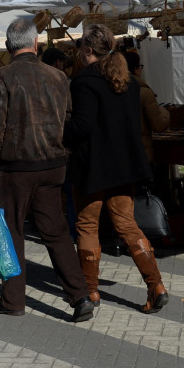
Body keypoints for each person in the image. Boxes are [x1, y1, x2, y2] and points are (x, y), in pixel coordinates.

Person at [0, 17, 93, 320]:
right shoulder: (57, 76)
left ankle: (13, 301)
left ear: (7, 45)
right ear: (36, 43)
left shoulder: (0, 77)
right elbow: (67, 121)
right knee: (56, 232)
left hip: (17, 168)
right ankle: (80, 297)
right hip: (52, 165)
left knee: (13, 231)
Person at [66, 25, 169, 317]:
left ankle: (91, 290)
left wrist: (61, 132)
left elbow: (82, 126)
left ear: (87, 51)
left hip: (93, 168)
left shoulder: (84, 81)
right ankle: (156, 285)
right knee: (127, 225)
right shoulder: (129, 81)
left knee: (87, 227)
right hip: (124, 167)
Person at [124, 51, 169, 162]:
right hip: (141, 153)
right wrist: (164, 112)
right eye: (140, 67)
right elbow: (159, 125)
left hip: (119, 154)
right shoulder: (143, 92)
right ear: (135, 68)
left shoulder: (111, 90)